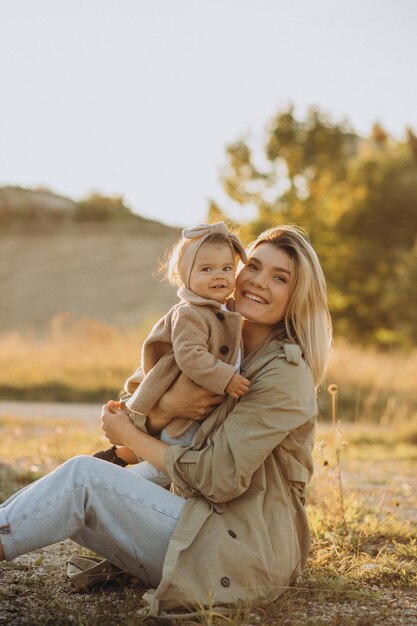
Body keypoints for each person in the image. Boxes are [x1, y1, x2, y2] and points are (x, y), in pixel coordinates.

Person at [0, 225, 332, 618]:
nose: (258, 282)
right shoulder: (218, 336)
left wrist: (131, 436)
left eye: (280, 278)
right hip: (200, 515)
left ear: (298, 295)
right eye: (254, 267)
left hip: (238, 550)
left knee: (84, 480)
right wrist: (163, 410)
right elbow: (141, 396)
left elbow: (218, 477)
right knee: (69, 495)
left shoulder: (285, 374)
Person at [93, 222, 250, 486]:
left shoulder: (223, 309)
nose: (219, 276)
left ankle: (117, 462)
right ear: (184, 276)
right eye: (206, 269)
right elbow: (190, 355)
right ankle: (113, 484)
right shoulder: (189, 312)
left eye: (227, 268)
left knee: (164, 457)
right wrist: (226, 378)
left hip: (198, 414)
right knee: (164, 466)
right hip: (184, 419)